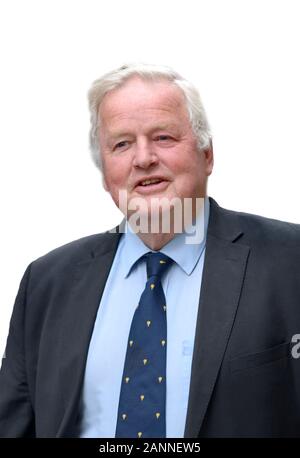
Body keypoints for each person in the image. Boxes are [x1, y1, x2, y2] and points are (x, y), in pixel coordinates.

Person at [0, 63, 300, 438]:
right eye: (121, 144)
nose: (143, 159)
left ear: (207, 155)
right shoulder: (47, 282)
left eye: (163, 137)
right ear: (105, 172)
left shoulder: (290, 263)